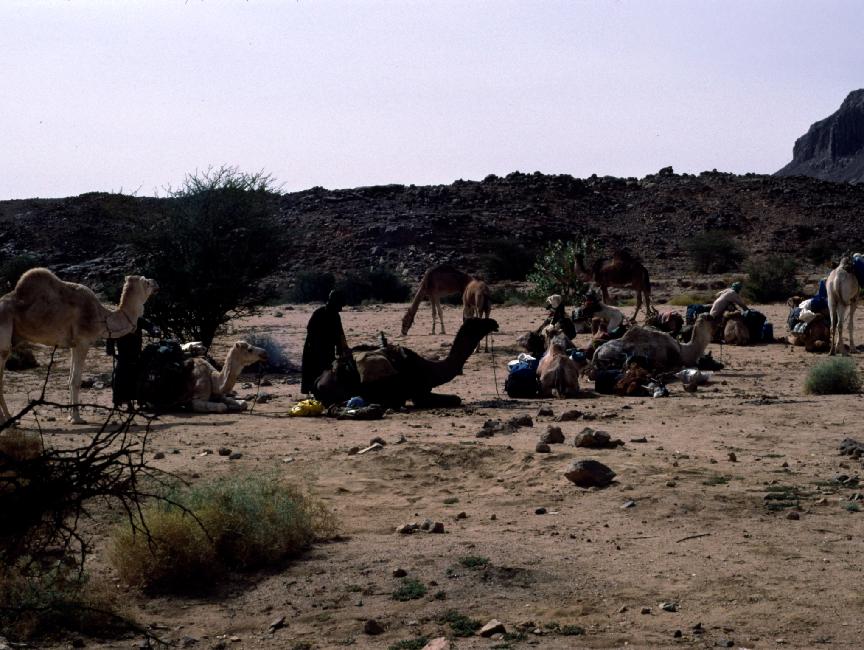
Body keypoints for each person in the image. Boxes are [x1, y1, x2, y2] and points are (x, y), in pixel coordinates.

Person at [301, 290, 351, 395]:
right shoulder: (319, 313)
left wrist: (342, 349)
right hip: (314, 350)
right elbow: (311, 331)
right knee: (315, 373)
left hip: (327, 350)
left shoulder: (335, 316)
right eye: (340, 304)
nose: (341, 307)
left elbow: (340, 334)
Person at [106, 317, 160, 409]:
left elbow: (150, 325)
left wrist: (155, 330)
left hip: (136, 353)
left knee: (135, 378)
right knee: (120, 378)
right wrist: (110, 349)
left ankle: (131, 402)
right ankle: (117, 402)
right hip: (123, 354)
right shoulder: (119, 320)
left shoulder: (136, 319)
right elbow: (111, 335)